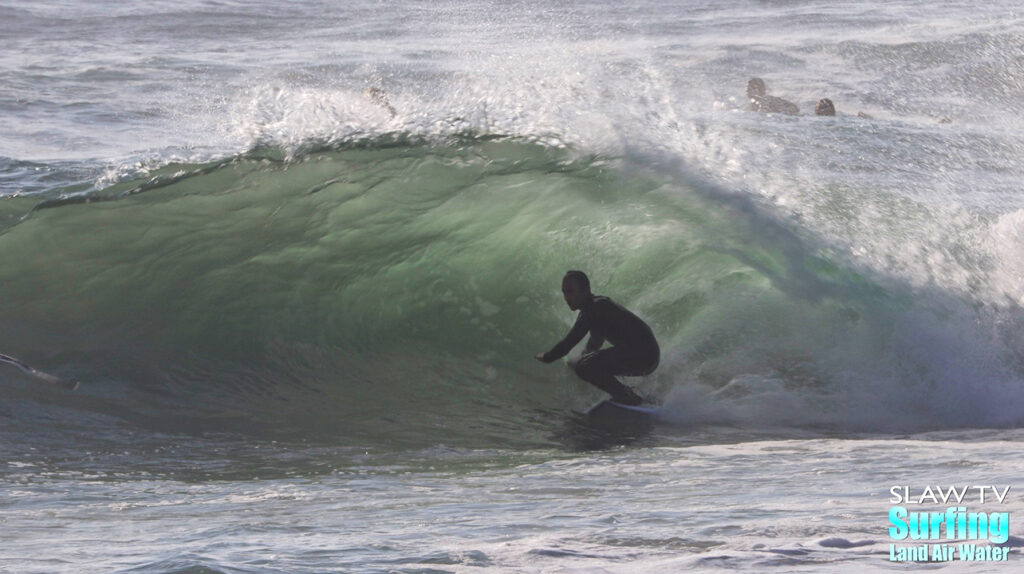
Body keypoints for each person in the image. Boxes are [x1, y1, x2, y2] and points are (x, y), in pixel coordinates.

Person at [535, 271, 659, 406]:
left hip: (644, 354)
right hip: (648, 355)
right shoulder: (596, 307)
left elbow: (568, 343)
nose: (566, 297)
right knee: (586, 364)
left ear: (585, 290)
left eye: (570, 292)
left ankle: (628, 398)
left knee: (584, 367)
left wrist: (547, 357)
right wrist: (584, 355)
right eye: (564, 292)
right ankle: (630, 396)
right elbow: (596, 340)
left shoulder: (593, 309)